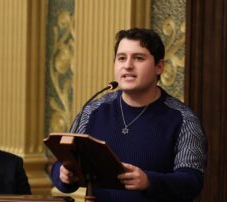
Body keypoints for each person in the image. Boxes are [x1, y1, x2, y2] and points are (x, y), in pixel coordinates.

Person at [50, 28, 207, 202]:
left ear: (159, 67)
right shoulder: (92, 111)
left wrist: (149, 181)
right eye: (121, 58)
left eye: (138, 58)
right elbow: (61, 163)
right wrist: (64, 175)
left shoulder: (183, 119)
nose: (128, 65)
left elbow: (192, 181)